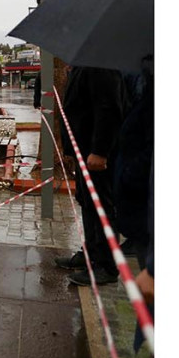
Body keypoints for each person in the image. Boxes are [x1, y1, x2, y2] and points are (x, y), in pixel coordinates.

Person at [53, 65, 124, 286]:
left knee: (101, 206)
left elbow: (109, 108)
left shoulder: (100, 65)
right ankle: (90, 254)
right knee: (87, 202)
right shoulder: (82, 65)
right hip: (83, 151)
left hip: (96, 156)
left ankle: (106, 266)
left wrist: (100, 151)